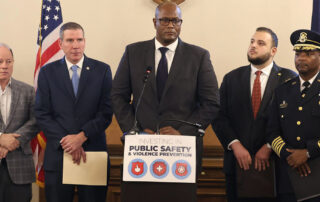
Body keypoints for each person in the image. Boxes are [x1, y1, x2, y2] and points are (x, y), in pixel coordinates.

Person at [111, 1, 219, 202]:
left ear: (181, 23)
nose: (171, 25)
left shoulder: (199, 56)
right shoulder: (133, 52)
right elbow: (117, 96)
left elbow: (211, 102)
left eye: (176, 21)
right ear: (155, 22)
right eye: (165, 20)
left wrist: (182, 133)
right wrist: (136, 132)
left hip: (182, 152)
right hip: (141, 149)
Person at [213, 27, 297, 202]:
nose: (253, 46)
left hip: (276, 169)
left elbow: (292, 122)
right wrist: (235, 145)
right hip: (237, 166)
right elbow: (218, 116)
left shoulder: (289, 79)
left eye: (260, 43)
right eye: (252, 41)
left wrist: (269, 146)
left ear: (273, 51)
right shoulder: (231, 78)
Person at [34, 22, 113, 202]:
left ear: (85, 41)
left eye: (79, 40)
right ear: (60, 44)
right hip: (59, 154)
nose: (75, 45)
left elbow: (106, 112)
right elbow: (42, 114)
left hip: (92, 152)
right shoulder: (47, 72)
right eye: (70, 40)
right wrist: (68, 142)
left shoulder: (102, 70)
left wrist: (82, 136)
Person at [267, 29, 320, 202]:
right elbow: (271, 132)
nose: (301, 58)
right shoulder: (283, 90)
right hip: (289, 175)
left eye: (309, 53)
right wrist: (288, 155)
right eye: (298, 53)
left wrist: (308, 153)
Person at [0, 43, 38, 202]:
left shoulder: (27, 91)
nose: (4, 66)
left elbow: (36, 120)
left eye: (9, 61)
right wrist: (1, 138)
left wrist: (13, 140)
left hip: (19, 167)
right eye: (0, 61)